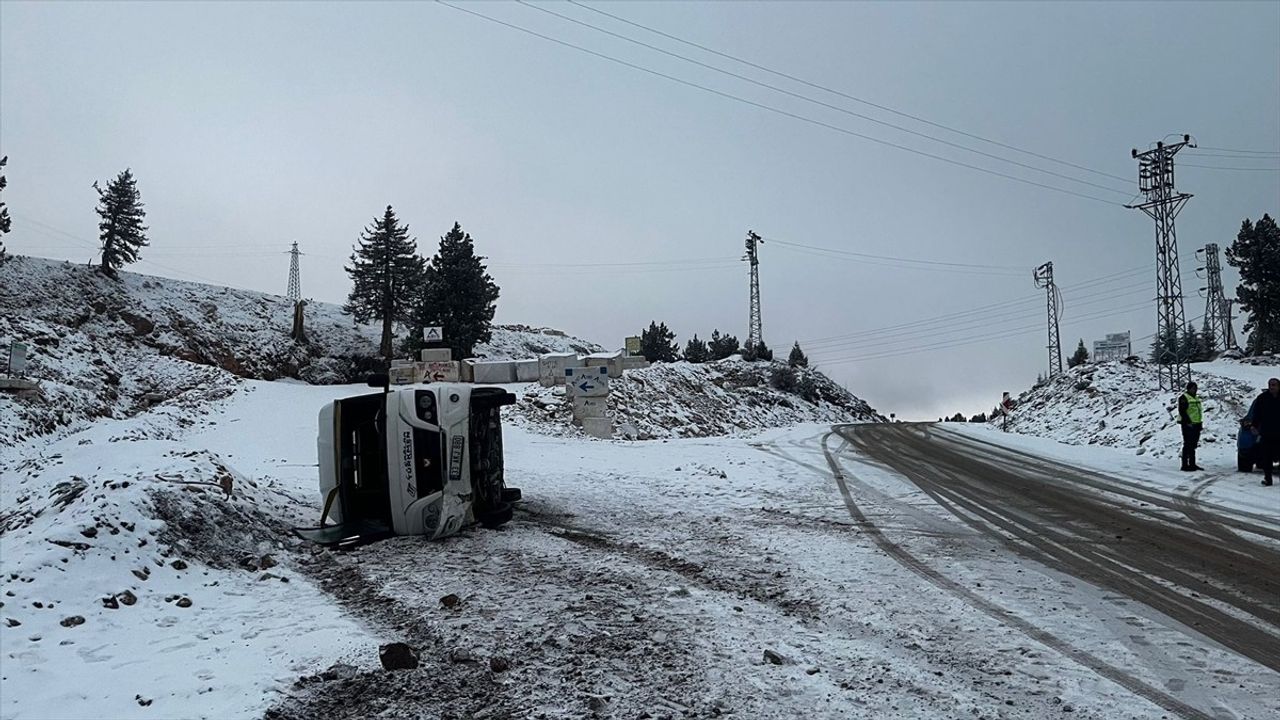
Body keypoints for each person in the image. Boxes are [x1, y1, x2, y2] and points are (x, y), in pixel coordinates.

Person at [1246, 377, 1280, 486]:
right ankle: (1268, 478)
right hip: (1267, 431)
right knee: (1267, 456)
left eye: (1274, 385)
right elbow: (1257, 414)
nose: (1272, 387)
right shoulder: (1262, 398)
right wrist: (1254, 426)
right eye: (1270, 385)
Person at [1178, 381, 1204, 471]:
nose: (1195, 390)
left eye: (1196, 388)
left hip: (1196, 424)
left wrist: (1200, 423)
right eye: (1193, 388)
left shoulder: (1196, 398)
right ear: (1189, 389)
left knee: (1193, 445)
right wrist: (1188, 422)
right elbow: (1182, 411)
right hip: (1187, 425)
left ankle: (1192, 464)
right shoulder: (1184, 398)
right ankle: (1185, 465)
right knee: (1187, 444)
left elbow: (1198, 412)